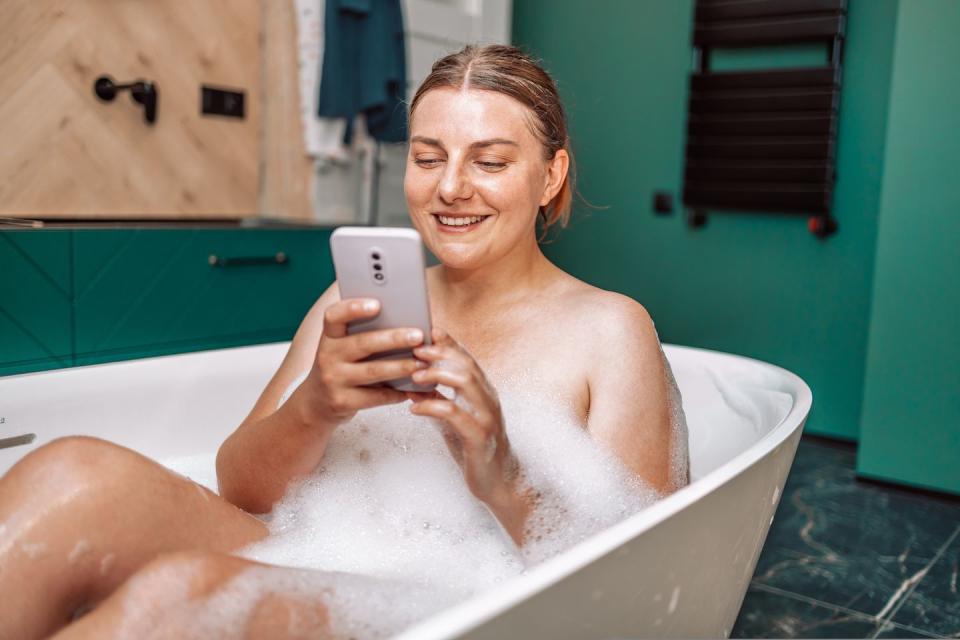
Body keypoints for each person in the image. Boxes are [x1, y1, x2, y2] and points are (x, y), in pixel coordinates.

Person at [0, 44, 688, 639]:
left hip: (473, 600)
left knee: (177, 599)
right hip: (323, 549)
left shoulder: (608, 329)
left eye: (490, 161)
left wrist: (499, 471)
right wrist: (315, 407)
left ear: (551, 176)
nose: (450, 187)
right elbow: (239, 489)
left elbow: (639, 585)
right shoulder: (353, 303)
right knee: (70, 472)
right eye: (428, 157)